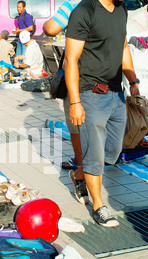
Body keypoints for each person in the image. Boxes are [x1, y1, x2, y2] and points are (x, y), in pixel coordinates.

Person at [64, 0, 140, 228]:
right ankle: (98, 205)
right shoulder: (84, 11)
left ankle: (79, 174)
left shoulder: (121, 9)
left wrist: (133, 80)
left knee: (113, 152)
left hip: (117, 93)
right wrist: (75, 102)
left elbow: (123, 47)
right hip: (91, 93)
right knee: (95, 153)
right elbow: (71, 59)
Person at [43, 0, 83, 173]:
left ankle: (80, 161)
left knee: (75, 119)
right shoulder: (112, 5)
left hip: (78, 70)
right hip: (104, 72)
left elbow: (50, 29)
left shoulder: (74, 4)